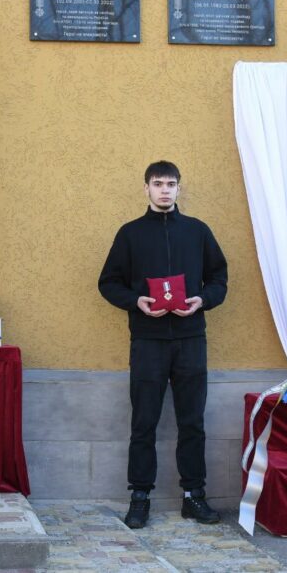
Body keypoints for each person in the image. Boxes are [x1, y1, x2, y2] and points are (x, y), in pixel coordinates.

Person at [98, 160, 228, 529]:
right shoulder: (130, 234)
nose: (165, 190)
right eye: (158, 184)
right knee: (144, 422)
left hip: (190, 340)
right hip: (148, 341)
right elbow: (108, 283)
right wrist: (135, 301)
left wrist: (202, 300)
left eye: (171, 184)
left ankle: (194, 496)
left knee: (192, 422)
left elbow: (219, 278)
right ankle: (140, 497)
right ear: (147, 189)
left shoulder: (198, 231)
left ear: (179, 188)